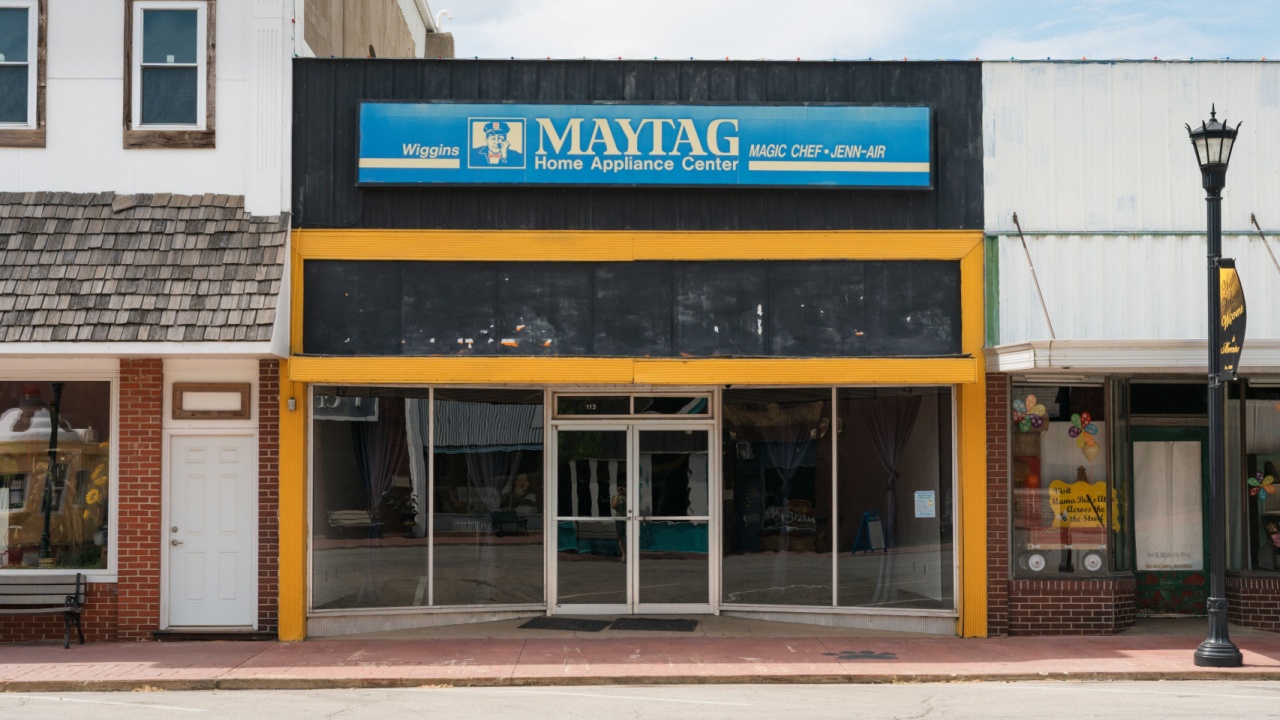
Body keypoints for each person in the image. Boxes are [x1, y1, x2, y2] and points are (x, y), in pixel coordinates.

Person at [611, 484, 627, 559]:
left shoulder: (629, 497)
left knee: (629, 536)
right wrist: (618, 495)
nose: (621, 490)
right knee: (620, 536)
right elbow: (613, 506)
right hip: (620, 518)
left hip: (628, 518)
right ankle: (623, 554)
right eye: (620, 488)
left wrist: (626, 493)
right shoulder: (615, 497)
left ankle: (629, 553)